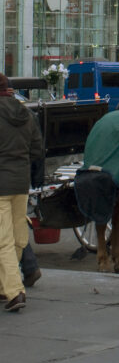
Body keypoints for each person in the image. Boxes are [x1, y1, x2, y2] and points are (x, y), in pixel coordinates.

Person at [0, 73, 43, 312]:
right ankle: (4, 284)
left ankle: (15, 292)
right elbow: (37, 149)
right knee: (18, 237)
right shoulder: (25, 113)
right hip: (20, 183)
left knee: (3, 240)